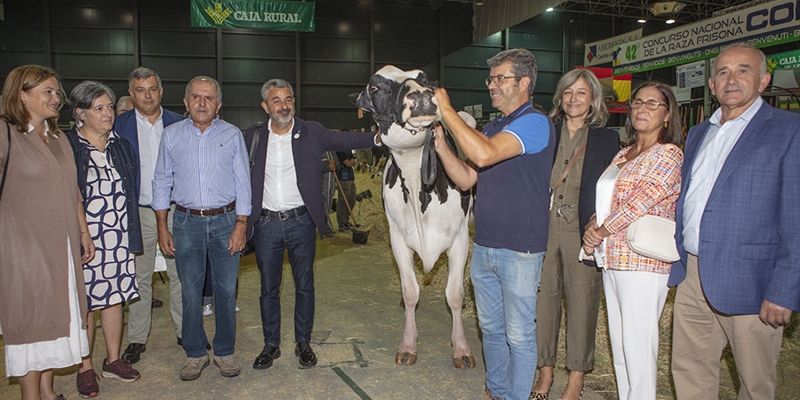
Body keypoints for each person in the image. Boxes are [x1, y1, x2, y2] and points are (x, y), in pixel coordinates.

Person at [669, 42, 800, 400]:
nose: (732, 78)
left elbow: (796, 217)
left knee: (755, 383)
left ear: (763, 80)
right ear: (711, 85)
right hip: (693, 273)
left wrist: (783, 290)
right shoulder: (699, 133)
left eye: (743, 70)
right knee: (689, 369)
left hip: (752, 280)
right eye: (723, 72)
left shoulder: (789, 130)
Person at [432, 48, 556, 400]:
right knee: (490, 328)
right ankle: (496, 390)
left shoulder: (534, 122)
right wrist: (442, 144)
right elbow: (467, 178)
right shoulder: (493, 126)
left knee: (518, 334)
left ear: (525, 83)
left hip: (520, 248)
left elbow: (484, 154)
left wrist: (447, 110)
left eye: (501, 78)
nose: (492, 86)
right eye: (491, 79)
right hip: (485, 244)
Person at [245, 78, 380, 371]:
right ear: (265, 106)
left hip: (301, 223)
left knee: (304, 285)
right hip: (267, 224)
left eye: (288, 99)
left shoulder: (312, 132)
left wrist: (379, 138)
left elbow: (344, 140)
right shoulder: (253, 137)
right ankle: (271, 344)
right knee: (269, 288)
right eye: (277, 100)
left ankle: (303, 343)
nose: (284, 105)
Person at [582, 81, 683, 400]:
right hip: (613, 259)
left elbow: (641, 201)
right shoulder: (624, 152)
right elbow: (608, 199)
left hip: (643, 262)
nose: (642, 108)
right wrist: (592, 224)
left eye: (653, 104)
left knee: (639, 349)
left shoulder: (668, 154)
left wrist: (601, 229)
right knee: (622, 349)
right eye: (638, 102)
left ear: (668, 115)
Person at [0, 64, 94, 400]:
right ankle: (31, 396)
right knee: (32, 324)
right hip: (23, 251)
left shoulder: (57, 138)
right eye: (48, 92)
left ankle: (47, 390)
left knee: (57, 318)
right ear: (22, 96)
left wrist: (83, 232)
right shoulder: (6, 133)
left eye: (57, 92)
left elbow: (74, 192)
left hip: (62, 248)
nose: (57, 98)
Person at [152, 75, 251, 381]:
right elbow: (161, 181)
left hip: (225, 221)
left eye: (209, 98)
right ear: (185, 102)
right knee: (191, 291)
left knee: (224, 289)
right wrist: (162, 227)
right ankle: (195, 352)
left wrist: (241, 224)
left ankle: (224, 350)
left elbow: (243, 183)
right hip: (185, 221)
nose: (202, 103)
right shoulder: (171, 136)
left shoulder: (232, 135)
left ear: (218, 105)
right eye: (196, 97)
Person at [532, 68, 620, 400]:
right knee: (544, 301)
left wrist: (600, 222)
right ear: (560, 98)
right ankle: (545, 373)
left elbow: (614, 188)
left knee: (582, 304)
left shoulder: (607, 139)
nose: (574, 99)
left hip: (582, 230)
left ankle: (576, 378)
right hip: (544, 226)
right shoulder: (547, 133)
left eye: (581, 93)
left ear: (593, 99)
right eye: (568, 93)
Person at [67, 80, 143, 397]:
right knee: (85, 304)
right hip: (86, 239)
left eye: (110, 107)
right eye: (99, 108)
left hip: (119, 235)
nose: (107, 113)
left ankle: (112, 360)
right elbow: (69, 195)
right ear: (80, 113)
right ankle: (85, 367)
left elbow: (131, 188)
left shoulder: (120, 145)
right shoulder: (68, 147)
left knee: (114, 298)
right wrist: (82, 233)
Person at [115, 67, 186, 364]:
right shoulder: (118, 126)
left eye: (152, 89)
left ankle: (187, 331)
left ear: (161, 91)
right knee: (140, 276)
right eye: (140, 90)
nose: (147, 95)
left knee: (181, 274)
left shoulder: (179, 123)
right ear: (132, 94)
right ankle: (136, 339)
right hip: (140, 212)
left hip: (174, 210)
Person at [336, 149, 356, 232]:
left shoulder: (347, 148)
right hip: (343, 177)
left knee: (351, 200)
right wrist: (351, 161)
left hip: (350, 177)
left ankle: (346, 220)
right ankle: (342, 223)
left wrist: (351, 161)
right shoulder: (340, 149)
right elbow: (348, 163)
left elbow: (352, 161)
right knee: (344, 202)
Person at [321, 150, 339, 238]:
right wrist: (326, 165)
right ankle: (326, 228)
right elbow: (309, 164)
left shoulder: (331, 149)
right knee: (325, 204)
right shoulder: (315, 146)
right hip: (320, 181)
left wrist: (336, 166)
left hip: (331, 180)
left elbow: (337, 162)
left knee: (328, 203)